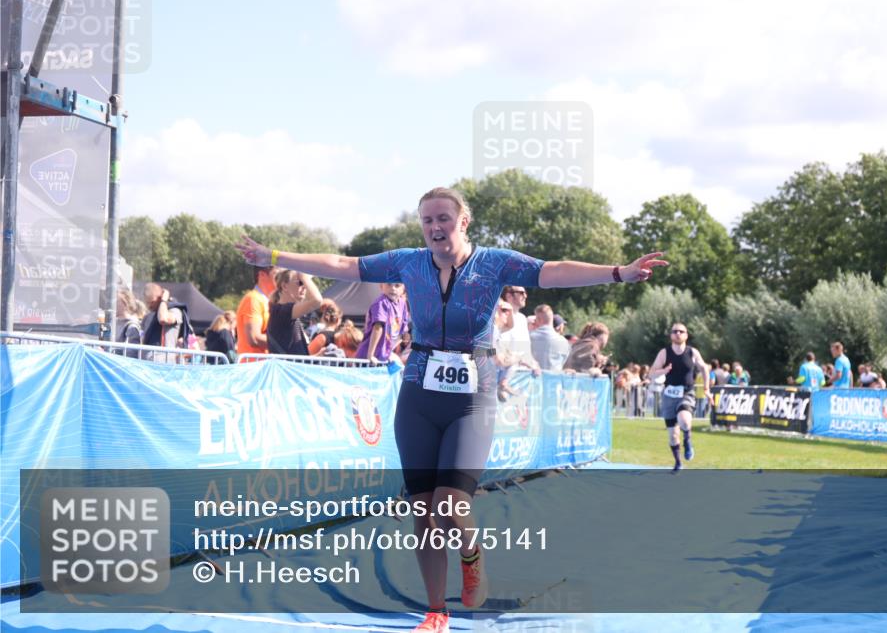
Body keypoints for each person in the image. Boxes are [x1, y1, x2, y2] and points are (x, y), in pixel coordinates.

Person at [235, 186, 666, 633]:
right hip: (418, 394)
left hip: (472, 396)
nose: (435, 228)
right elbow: (343, 265)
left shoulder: (494, 263)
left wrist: (619, 272)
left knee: (451, 500)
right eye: (427, 221)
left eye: (444, 218)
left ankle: (473, 559)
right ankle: (436, 610)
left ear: (463, 222)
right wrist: (276, 254)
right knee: (423, 511)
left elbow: (553, 271)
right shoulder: (408, 261)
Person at [648, 323, 711, 472]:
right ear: (671, 335)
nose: (677, 333)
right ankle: (678, 462)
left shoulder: (692, 352)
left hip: (686, 393)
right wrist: (663, 370)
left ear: (686, 335)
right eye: (674, 331)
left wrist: (707, 388)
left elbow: (704, 368)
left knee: (684, 420)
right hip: (669, 396)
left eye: (681, 331)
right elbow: (651, 373)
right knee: (672, 435)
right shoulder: (664, 353)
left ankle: (687, 441)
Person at [267, 270, 323, 356]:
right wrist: (305, 277)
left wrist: (316, 357)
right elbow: (317, 301)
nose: (304, 286)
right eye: (300, 282)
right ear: (285, 286)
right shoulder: (281, 312)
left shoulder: (286, 312)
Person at [355, 282, 410, 363]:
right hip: (368, 356)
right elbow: (377, 328)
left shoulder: (402, 304)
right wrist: (370, 355)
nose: (393, 288)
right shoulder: (381, 303)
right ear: (381, 286)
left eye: (397, 285)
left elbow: (402, 331)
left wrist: (389, 353)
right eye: (389, 284)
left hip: (383, 356)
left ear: (403, 289)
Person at [236, 265, 277, 357]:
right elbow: (254, 338)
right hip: (253, 367)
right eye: (277, 276)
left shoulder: (267, 301)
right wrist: (284, 343)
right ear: (262, 275)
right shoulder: (253, 299)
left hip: (262, 366)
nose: (281, 279)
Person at [529, 304, 570, 371]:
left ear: (539, 319)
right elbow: (563, 363)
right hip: (555, 379)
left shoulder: (529, 337)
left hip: (533, 379)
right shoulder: (564, 342)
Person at [115, 288, 146, 358]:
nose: (113, 305)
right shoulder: (114, 323)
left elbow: (131, 353)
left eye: (117, 302)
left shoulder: (132, 326)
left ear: (125, 304)